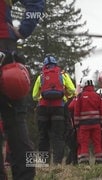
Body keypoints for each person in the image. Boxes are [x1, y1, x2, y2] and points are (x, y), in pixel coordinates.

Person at [0, 0, 45, 179]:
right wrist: (25, 28)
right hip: (6, 48)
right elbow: (36, 4)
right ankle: (26, 175)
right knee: (18, 122)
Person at [32, 55, 75, 165]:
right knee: (58, 137)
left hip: (42, 109)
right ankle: (57, 163)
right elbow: (73, 90)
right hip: (59, 108)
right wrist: (65, 96)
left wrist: (42, 98)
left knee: (43, 136)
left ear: (45, 66)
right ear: (56, 64)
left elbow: (34, 95)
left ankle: (43, 163)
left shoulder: (40, 76)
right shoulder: (63, 75)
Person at [69, 79, 102, 164]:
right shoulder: (97, 96)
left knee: (84, 143)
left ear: (84, 85)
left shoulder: (80, 96)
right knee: (97, 142)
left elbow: (76, 112)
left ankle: (84, 161)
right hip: (96, 124)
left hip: (84, 125)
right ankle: (99, 160)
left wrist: (76, 125)